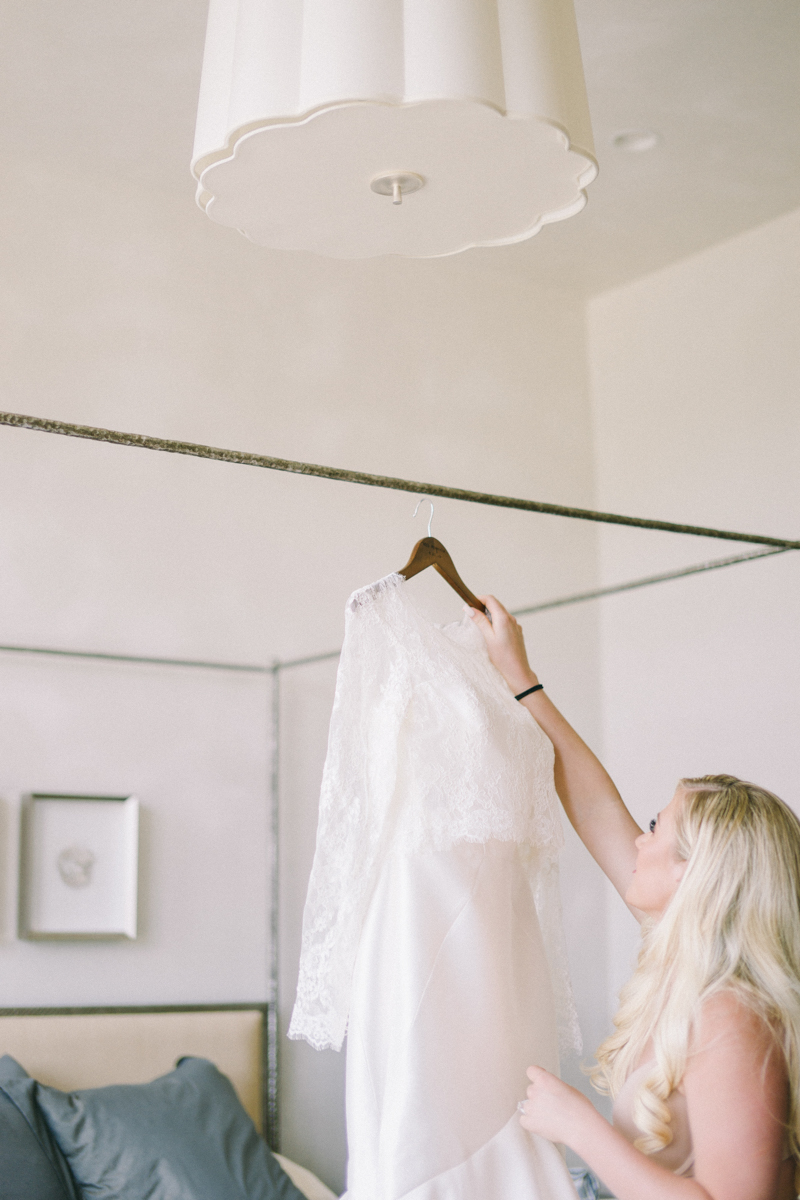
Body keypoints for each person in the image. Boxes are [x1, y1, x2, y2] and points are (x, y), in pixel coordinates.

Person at [467, 595, 800, 1200]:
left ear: (692, 875)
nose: (637, 844)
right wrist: (521, 678)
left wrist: (580, 1128)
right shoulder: (695, 977)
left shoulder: (734, 1018)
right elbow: (595, 807)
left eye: (653, 829)